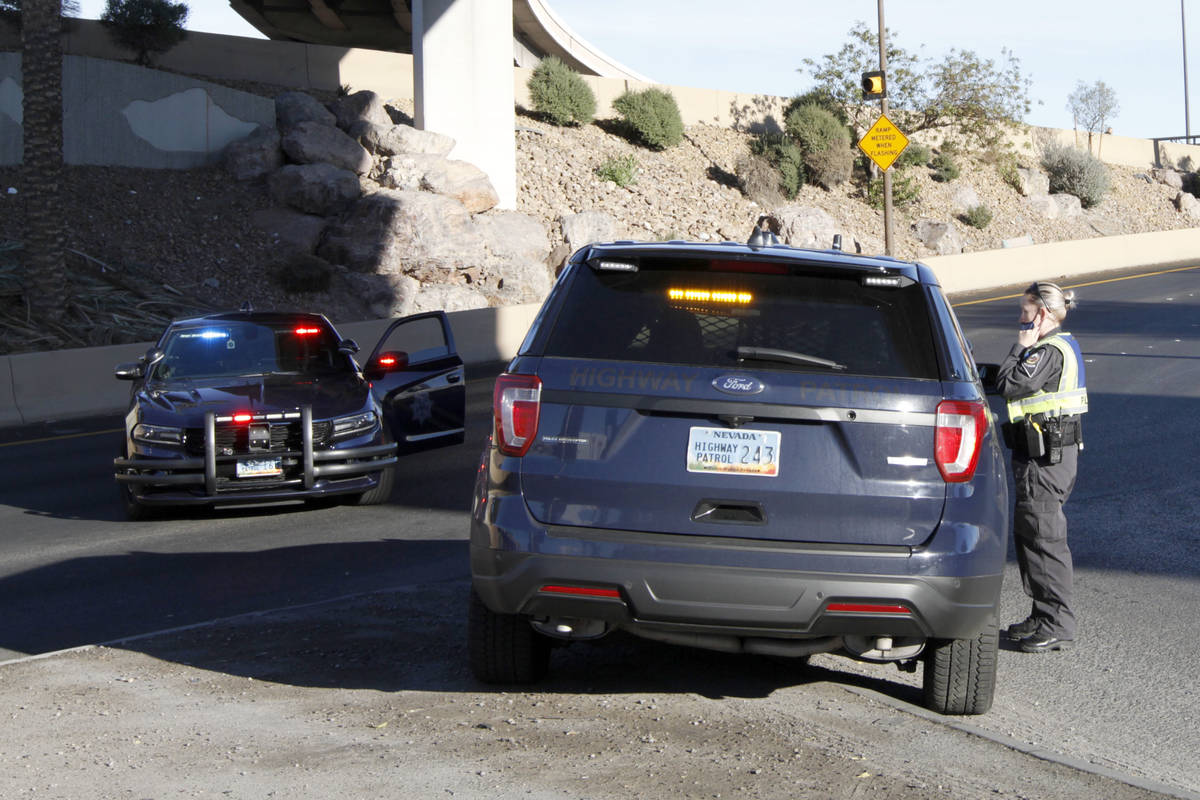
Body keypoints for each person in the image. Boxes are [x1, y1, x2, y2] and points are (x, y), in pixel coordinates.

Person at [995, 281, 1088, 654]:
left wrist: (1021, 345)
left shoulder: (1046, 351)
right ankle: (1041, 614)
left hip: (1046, 460)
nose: (1021, 317)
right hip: (1044, 456)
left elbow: (1008, 384)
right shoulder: (1057, 347)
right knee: (1030, 537)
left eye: (1025, 310)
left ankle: (1056, 624)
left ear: (1043, 314)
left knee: (1045, 540)